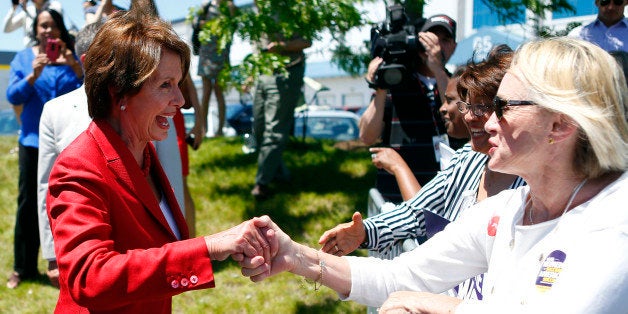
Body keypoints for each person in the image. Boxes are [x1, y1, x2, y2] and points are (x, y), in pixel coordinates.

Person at [246, 37, 628, 313]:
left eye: (503, 107)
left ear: (560, 125)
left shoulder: (616, 222)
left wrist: (441, 307)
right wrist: (295, 256)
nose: (486, 122)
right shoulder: (509, 208)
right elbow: (402, 277)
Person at [46, 11, 276, 312]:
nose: (180, 101)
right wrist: (206, 248)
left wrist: (226, 244)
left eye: (178, 84)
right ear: (119, 91)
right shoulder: (79, 166)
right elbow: (89, 276)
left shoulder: (142, 152)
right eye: (166, 85)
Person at [320, 46, 525, 301]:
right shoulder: (466, 160)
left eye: (482, 107)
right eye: (466, 106)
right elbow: (416, 212)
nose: (471, 117)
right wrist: (363, 233)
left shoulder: (532, 186)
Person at [5, 8, 83, 289]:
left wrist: (75, 67)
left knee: (70, 203)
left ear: (61, 30)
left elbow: (90, 91)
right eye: (42, 26)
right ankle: (22, 268)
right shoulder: (24, 58)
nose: (47, 31)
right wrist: (32, 76)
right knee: (28, 205)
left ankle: (70, 264)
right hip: (33, 143)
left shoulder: (73, 58)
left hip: (68, 142)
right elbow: (12, 95)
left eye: (52, 26)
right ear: (35, 30)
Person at [360, 14, 462, 203]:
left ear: (454, 47)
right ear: (416, 40)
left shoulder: (458, 83)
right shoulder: (395, 80)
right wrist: (380, 87)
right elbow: (367, 137)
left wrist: (438, 69)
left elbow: (463, 122)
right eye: (430, 37)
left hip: (445, 193)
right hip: (396, 193)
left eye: (445, 40)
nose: (436, 45)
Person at [36, 20, 103, 290]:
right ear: (87, 60)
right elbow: (46, 185)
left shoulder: (145, 105)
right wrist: (52, 252)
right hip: (78, 244)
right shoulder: (56, 111)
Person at [369, 66, 469, 202]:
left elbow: (422, 213)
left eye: (449, 100)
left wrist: (397, 166)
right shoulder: (465, 155)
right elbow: (366, 135)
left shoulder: (474, 159)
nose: (442, 108)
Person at [250, 16, 312, 199]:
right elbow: (257, 46)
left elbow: (306, 41)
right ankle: (280, 174)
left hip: (288, 70)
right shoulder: (258, 13)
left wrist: (281, 46)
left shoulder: (293, 9)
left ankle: (262, 183)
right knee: (260, 128)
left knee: (274, 129)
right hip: (263, 73)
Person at [197, 0, 235, 137]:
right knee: (206, 92)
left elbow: (232, 27)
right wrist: (208, 25)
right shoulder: (206, 5)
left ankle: (220, 130)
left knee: (219, 92)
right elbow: (197, 25)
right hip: (206, 53)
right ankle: (204, 130)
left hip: (222, 54)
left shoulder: (229, 6)